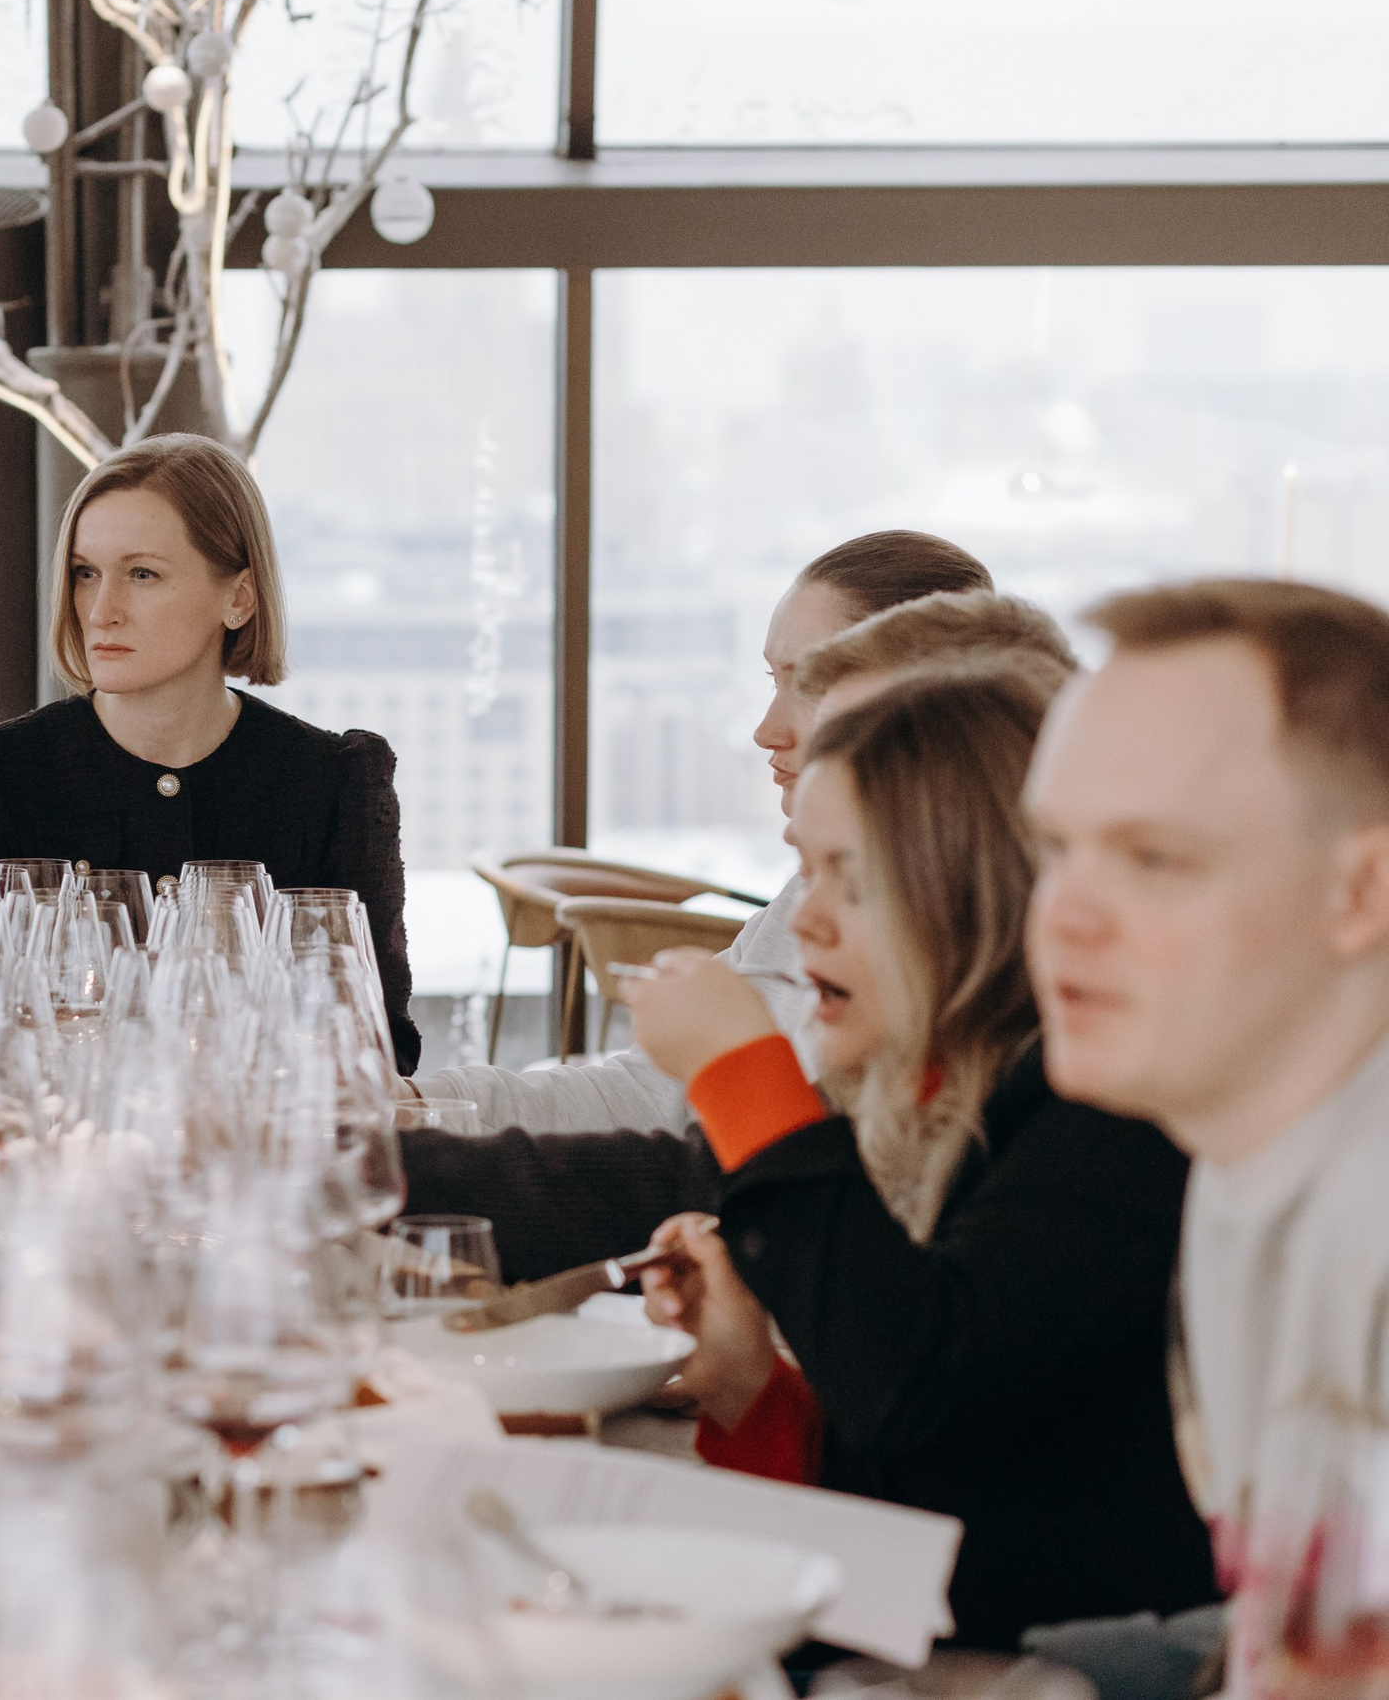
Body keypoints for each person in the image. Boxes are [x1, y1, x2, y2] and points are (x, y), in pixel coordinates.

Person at [622, 666, 1216, 1652]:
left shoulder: (1112, 1114)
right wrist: (750, 1390)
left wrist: (743, 1076)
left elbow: (922, 1384)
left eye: (851, 881)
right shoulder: (930, 1101)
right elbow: (939, 1476)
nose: (805, 922)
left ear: (974, 894)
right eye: (807, 871)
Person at [403, 583, 1077, 1284]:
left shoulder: (1067, 1103)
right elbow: (680, 1152)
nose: (773, 731)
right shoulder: (919, 1068)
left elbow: (921, 1362)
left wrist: (744, 1068)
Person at [1022, 581, 1389, 1697]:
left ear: (1363, 890)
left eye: (1155, 859)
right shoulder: (1244, 1154)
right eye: (1055, 849)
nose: (1066, 916)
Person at [0, 433, 424, 1072]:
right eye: (86, 574)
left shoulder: (330, 783)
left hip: (260, 1160)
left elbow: (377, 1045)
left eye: (142, 574)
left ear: (239, 598)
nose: (101, 610)